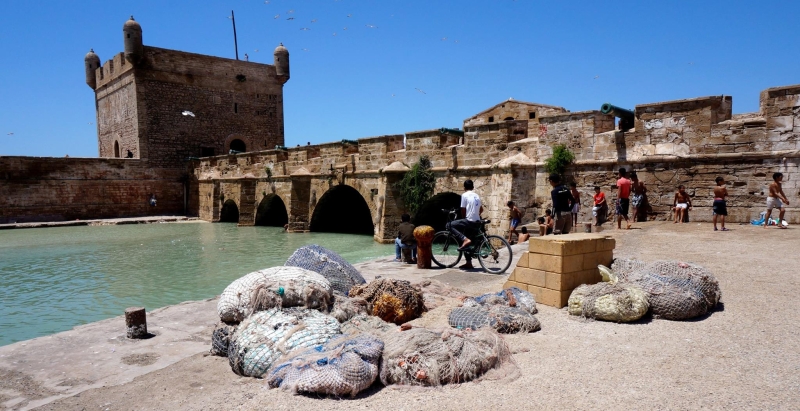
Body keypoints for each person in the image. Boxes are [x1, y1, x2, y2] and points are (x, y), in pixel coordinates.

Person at [447, 179, 483, 269]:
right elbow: (481, 210)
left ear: (464, 188)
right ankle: (469, 263)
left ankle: (465, 239)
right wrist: (476, 215)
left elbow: (463, 209)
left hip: (469, 221)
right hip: (477, 221)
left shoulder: (464, 195)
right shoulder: (476, 195)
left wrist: (464, 218)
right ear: (473, 187)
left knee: (449, 225)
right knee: (467, 240)